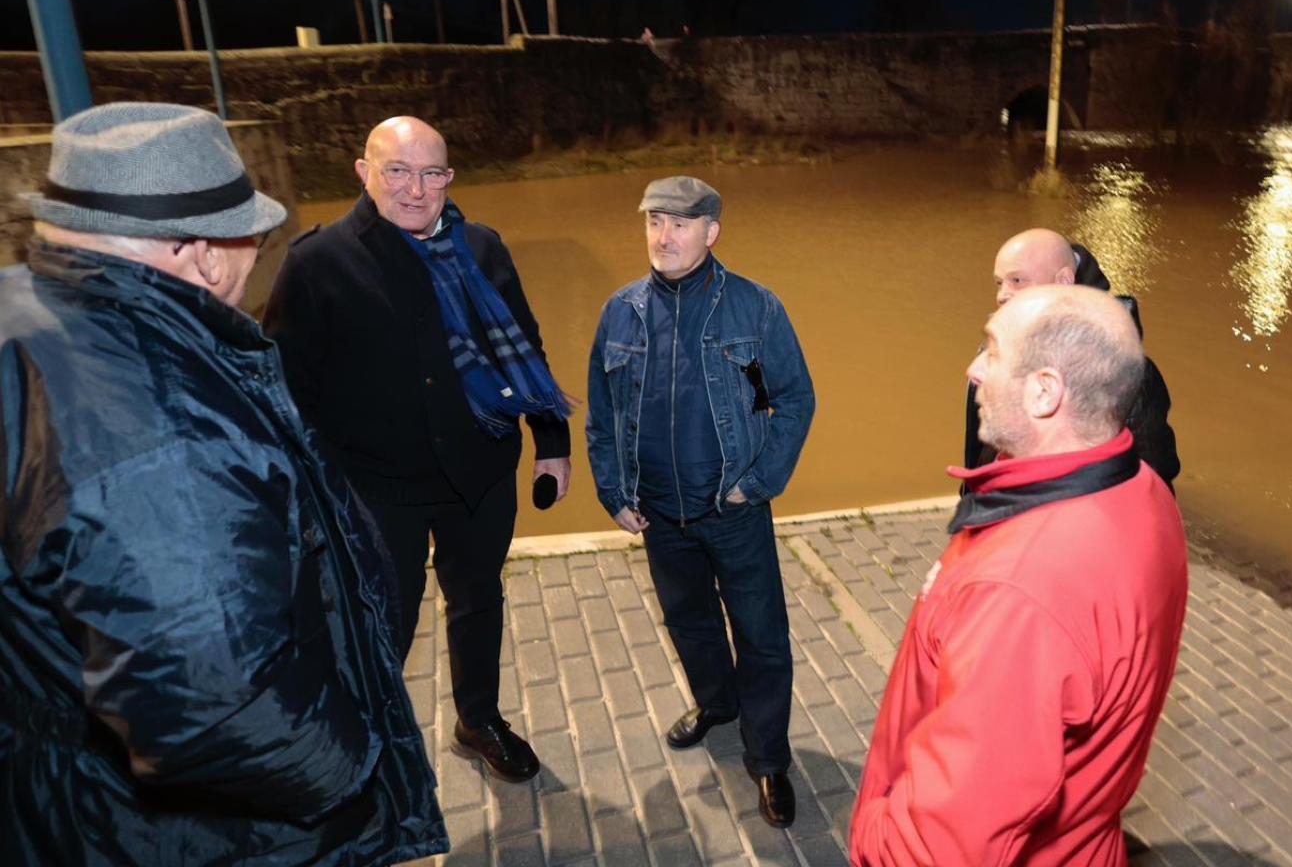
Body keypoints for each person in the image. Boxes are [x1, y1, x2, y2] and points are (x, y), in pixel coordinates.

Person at [0, 102, 446, 865]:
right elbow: (215, 707)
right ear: (202, 253)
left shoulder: (21, 315)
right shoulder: (165, 425)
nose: (253, 259)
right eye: (251, 237)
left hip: (63, 789)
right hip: (202, 836)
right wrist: (354, 775)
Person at [264, 116, 572, 783]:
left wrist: (552, 441)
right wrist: (311, 494)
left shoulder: (484, 248)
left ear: (450, 178)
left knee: (477, 599)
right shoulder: (316, 264)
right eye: (397, 170)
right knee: (380, 624)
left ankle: (478, 717)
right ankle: (365, 746)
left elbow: (525, 348)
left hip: (480, 471)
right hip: (377, 489)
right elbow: (288, 394)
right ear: (362, 172)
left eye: (431, 172)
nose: (415, 188)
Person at [851, 284, 1189, 866]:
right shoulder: (1145, 491)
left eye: (991, 350)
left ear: (1044, 392)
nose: (973, 369)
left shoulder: (1018, 591)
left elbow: (939, 849)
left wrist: (871, 834)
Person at [585, 175, 814, 828]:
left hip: (733, 507)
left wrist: (756, 481)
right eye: (655, 222)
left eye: (680, 224)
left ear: (711, 231)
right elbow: (602, 415)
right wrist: (614, 493)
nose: (664, 236)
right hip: (658, 513)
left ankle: (767, 758)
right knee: (690, 624)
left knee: (762, 638)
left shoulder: (755, 309)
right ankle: (717, 704)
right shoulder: (620, 311)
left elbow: (792, 399)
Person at [965, 227, 1181, 489]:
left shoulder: (1123, 371)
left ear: (1064, 281)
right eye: (999, 282)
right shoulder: (999, 349)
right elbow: (978, 452)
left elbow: (1153, 475)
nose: (1002, 295)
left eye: (1018, 280)